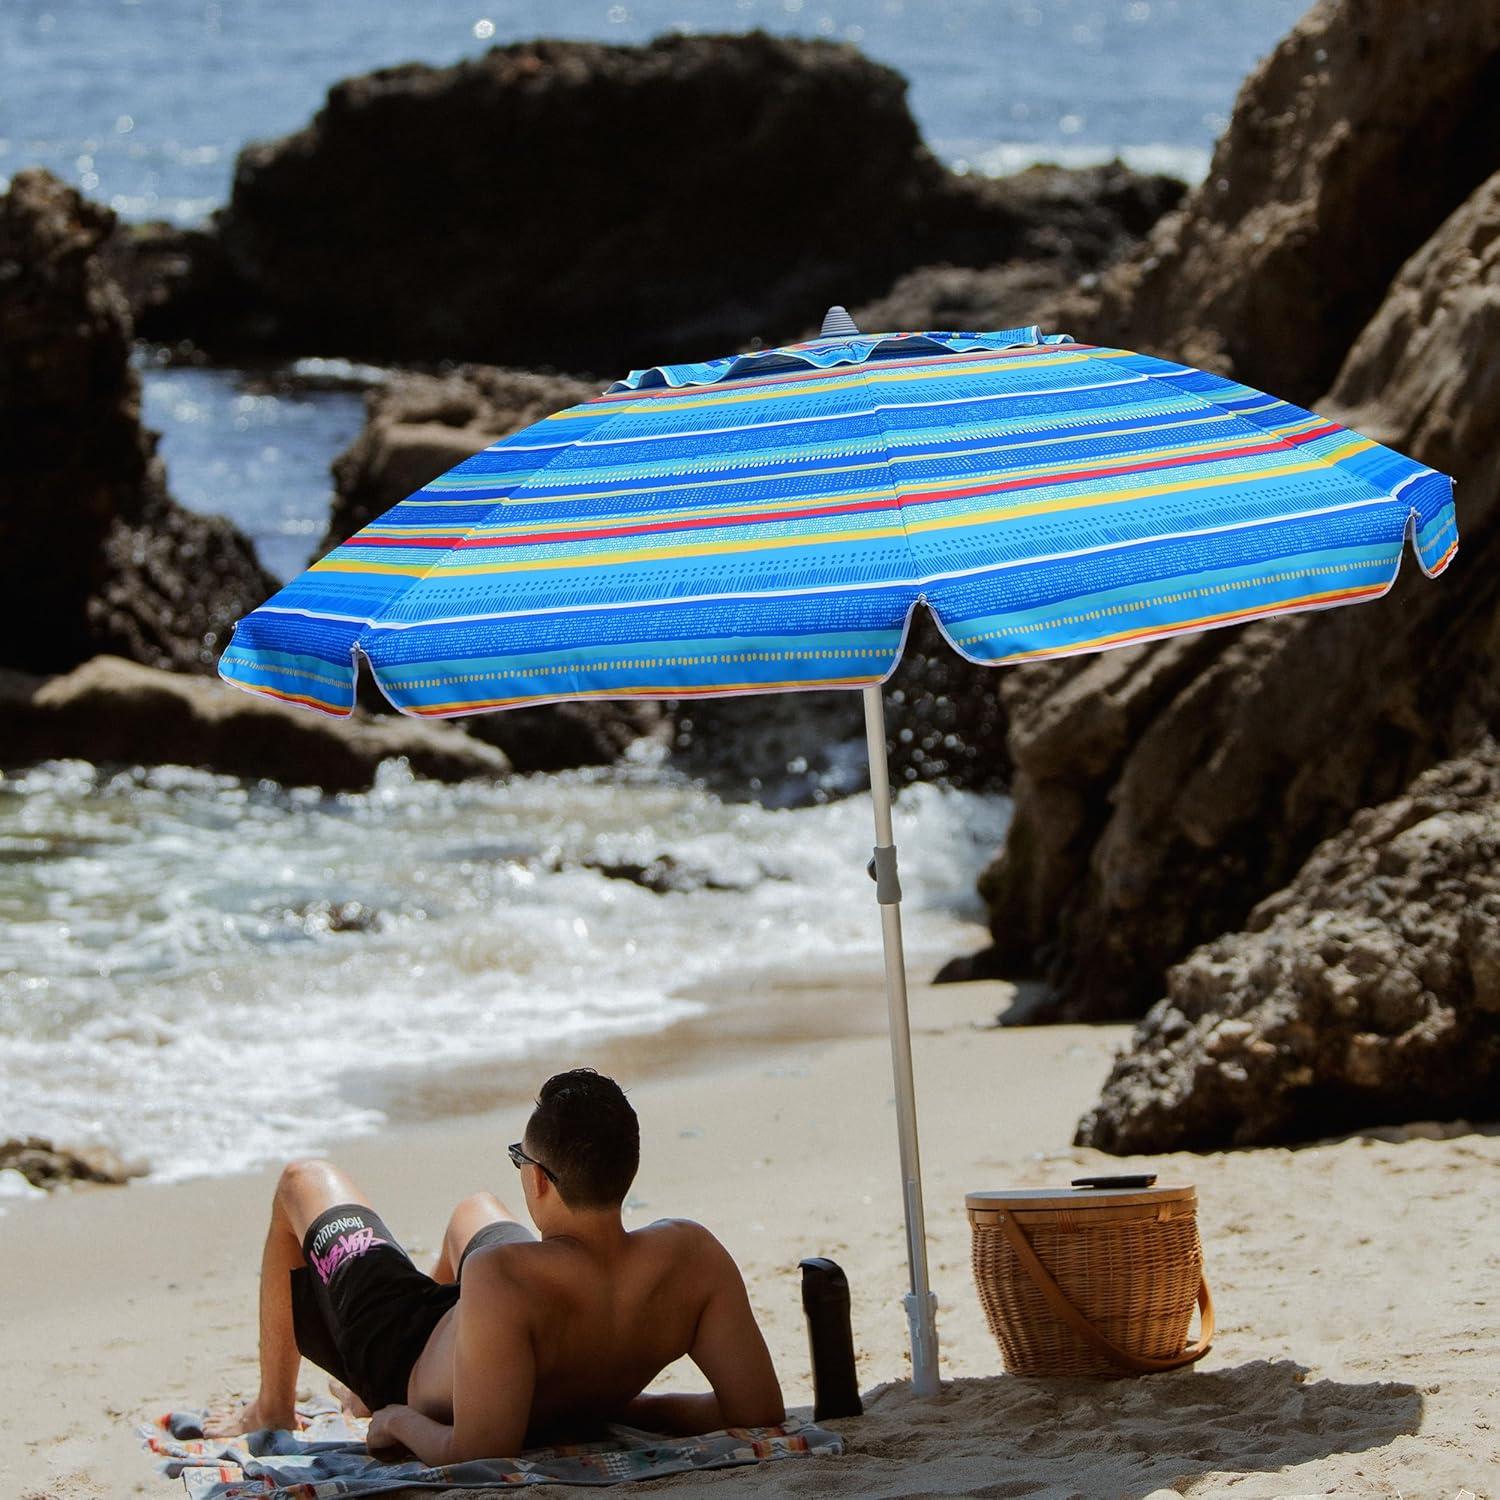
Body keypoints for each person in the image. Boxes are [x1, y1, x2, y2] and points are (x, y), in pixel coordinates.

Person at [206, 1068, 784, 1464]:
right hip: (504, 1320)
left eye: (521, 1160)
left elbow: (479, 1452)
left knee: (300, 1181)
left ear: (536, 1179)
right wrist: (627, 1404)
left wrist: (393, 1418)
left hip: (402, 1351)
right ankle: (436, 1336)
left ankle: (272, 1407)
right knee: (475, 1209)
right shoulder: (692, 1255)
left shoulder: (503, 1275)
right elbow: (756, 1410)